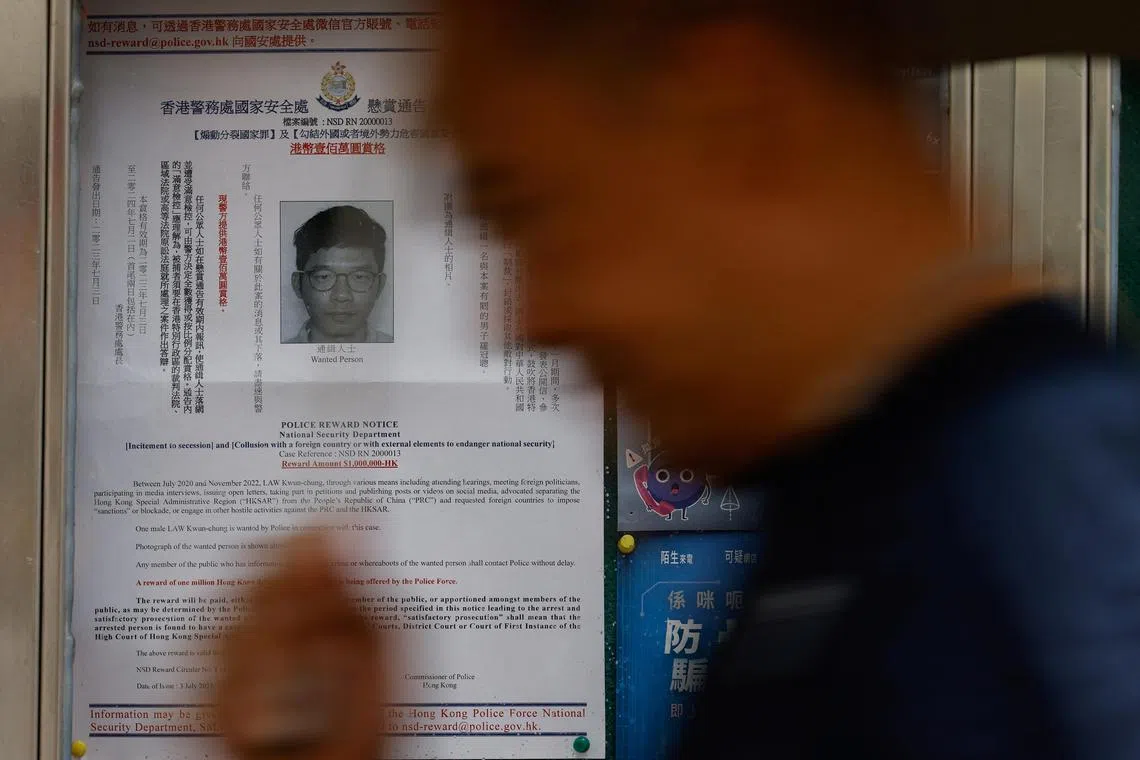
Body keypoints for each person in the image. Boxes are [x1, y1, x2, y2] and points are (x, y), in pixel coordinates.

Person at [224, 3, 1140, 759]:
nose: (527, 320)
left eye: (530, 209)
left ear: (732, 112)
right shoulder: (867, 497)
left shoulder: (1041, 499)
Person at [284, 204, 393, 344]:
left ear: (380, 286)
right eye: (324, 276)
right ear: (298, 284)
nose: (342, 295)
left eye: (359, 277)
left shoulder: (403, 354)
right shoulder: (275, 358)